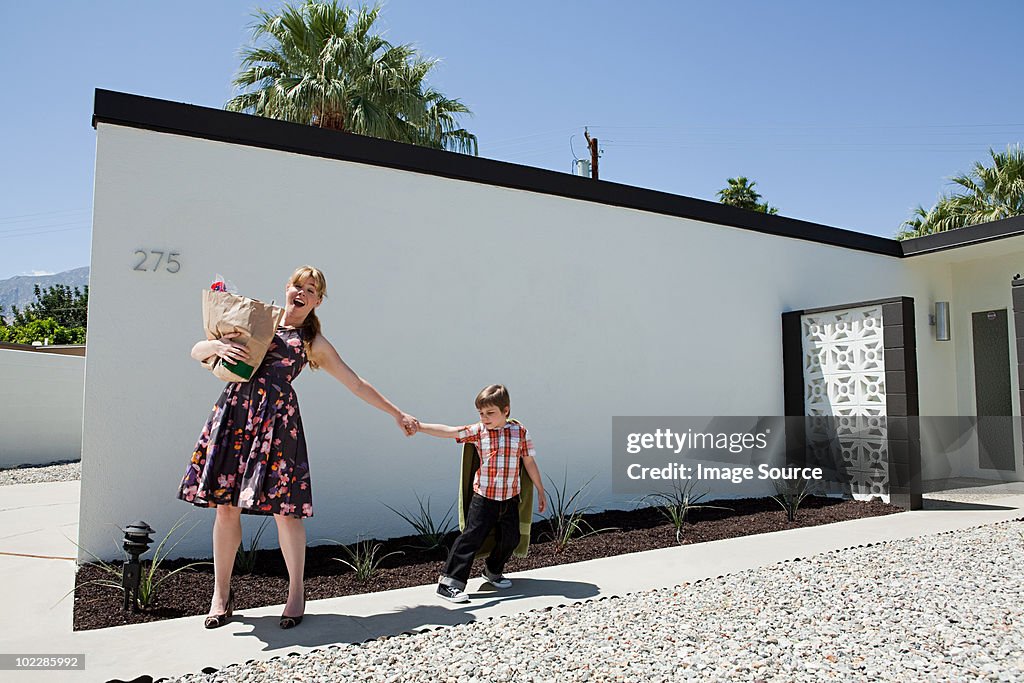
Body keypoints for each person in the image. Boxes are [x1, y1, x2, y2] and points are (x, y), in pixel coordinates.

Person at [177, 265, 419, 629]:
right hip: (235, 416)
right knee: (225, 508)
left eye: (311, 289)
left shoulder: (312, 341)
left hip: (277, 425)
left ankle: (295, 593)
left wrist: (396, 413)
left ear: (318, 300)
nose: (301, 292)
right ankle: (221, 596)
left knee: (285, 512)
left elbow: (355, 383)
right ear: (287, 288)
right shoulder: (258, 318)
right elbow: (197, 350)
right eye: (297, 285)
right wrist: (216, 345)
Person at [416, 384, 546, 603]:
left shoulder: (519, 432)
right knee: (471, 538)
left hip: (509, 498)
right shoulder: (479, 431)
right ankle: (449, 583)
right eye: (481, 413)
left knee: (511, 538)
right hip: (484, 498)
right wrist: (420, 426)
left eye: (490, 413)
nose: (485, 418)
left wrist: (541, 491)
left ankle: (492, 571)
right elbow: (449, 431)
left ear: (506, 410)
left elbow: (529, 462)